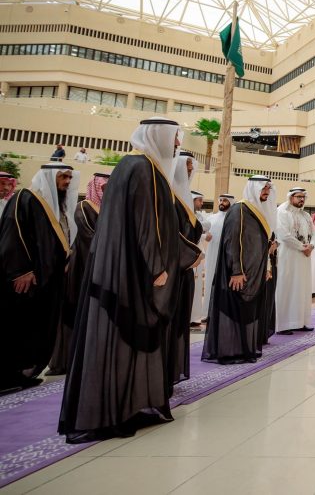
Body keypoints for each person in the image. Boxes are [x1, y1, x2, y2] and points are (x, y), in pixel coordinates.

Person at [59, 118, 201, 442]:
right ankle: (115, 411)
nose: (177, 145)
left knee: (124, 338)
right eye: (174, 139)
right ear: (159, 137)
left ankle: (128, 406)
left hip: (124, 268)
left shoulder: (131, 166)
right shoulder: (144, 169)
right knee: (126, 338)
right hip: (134, 272)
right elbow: (147, 223)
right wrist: (157, 267)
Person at [0, 164, 78, 392]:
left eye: (70, 177)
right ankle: (7, 376)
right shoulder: (25, 199)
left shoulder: (56, 205)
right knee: (18, 328)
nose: (67, 181)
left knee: (38, 328)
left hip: (47, 280)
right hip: (26, 281)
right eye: (63, 176)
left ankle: (25, 372)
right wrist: (20, 271)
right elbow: (10, 237)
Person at [202, 176, 276, 364]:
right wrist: (236, 270)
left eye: (268, 188)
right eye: (263, 188)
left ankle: (244, 348)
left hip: (254, 272)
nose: (266, 191)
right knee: (233, 310)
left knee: (247, 312)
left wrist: (266, 263)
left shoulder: (258, 212)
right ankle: (230, 351)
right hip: (238, 273)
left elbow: (259, 243)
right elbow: (231, 242)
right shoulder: (239, 210)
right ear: (253, 188)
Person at [49, 172, 108, 375]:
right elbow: (91, 239)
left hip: (99, 267)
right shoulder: (84, 208)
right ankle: (66, 360)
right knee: (74, 311)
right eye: (104, 187)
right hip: (82, 267)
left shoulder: (108, 211)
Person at [167, 151, 203, 389]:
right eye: (186, 165)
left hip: (185, 271)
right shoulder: (168, 195)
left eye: (192, 166)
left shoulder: (184, 198)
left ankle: (170, 372)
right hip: (169, 272)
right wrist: (192, 255)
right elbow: (169, 233)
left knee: (179, 322)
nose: (189, 169)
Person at [275, 187, 314, 334]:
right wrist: (302, 247)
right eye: (298, 197)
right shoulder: (282, 212)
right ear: (291, 197)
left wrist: (311, 246)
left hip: (304, 258)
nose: (301, 199)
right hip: (289, 256)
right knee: (287, 287)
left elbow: (314, 234)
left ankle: (301, 322)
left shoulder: (306, 216)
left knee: (302, 289)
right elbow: (284, 235)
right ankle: (283, 324)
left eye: (303, 197)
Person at [202, 194, 234, 321]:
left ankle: (222, 315)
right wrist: (205, 234)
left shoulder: (233, 218)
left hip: (226, 257)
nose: (222, 202)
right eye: (220, 200)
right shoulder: (212, 218)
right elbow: (202, 230)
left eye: (225, 200)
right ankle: (208, 314)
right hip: (211, 257)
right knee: (210, 282)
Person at [190, 191, 211, 326]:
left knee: (197, 288)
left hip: (197, 255)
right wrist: (203, 235)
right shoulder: (188, 214)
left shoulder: (198, 215)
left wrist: (201, 233)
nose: (202, 203)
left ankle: (194, 317)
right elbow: (195, 229)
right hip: (189, 256)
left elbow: (207, 225)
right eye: (200, 201)